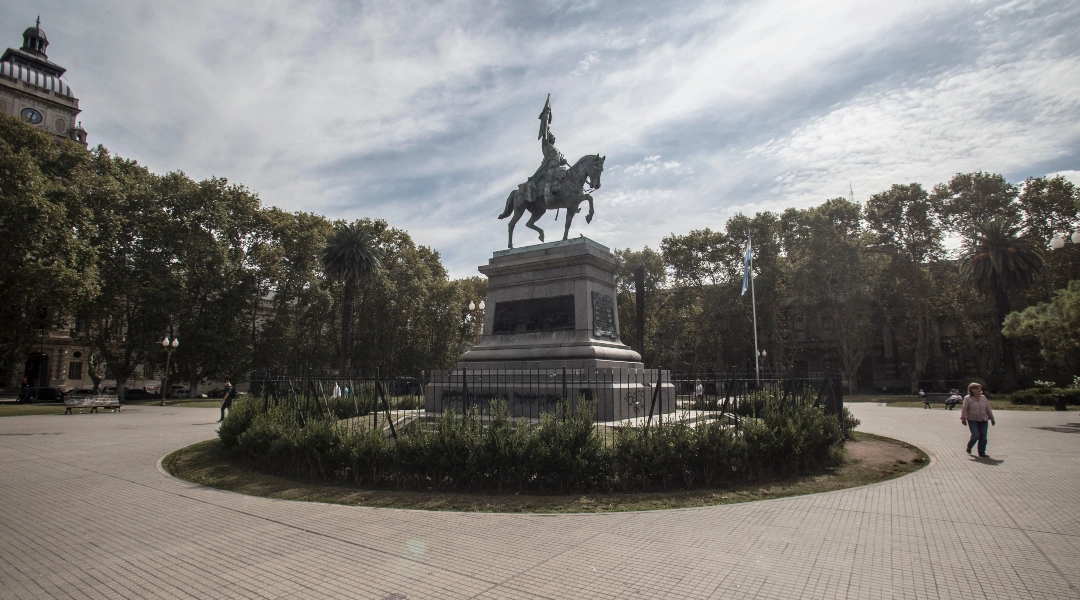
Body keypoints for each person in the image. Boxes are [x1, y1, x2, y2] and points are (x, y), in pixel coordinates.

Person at [960, 382, 995, 457]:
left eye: (979, 388)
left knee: (983, 437)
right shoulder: (968, 398)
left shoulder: (983, 397)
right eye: (977, 388)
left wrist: (992, 418)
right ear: (972, 390)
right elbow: (964, 409)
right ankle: (969, 446)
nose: (979, 390)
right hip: (972, 420)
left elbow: (988, 408)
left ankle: (982, 452)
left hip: (983, 419)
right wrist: (963, 418)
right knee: (976, 435)